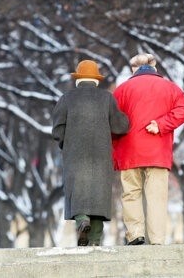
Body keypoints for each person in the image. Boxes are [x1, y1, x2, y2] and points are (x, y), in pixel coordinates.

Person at [113, 53, 184, 245]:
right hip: (157, 152)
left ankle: (135, 235)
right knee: (156, 196)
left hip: (128, 151)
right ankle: (156, 241)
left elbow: (112, 120)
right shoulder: (171, 88)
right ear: (154, 67)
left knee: (131, 193)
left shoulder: (122, 90)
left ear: (134, 69)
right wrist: (162, 124)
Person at [52, 59, 129, 246]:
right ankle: (94, 239)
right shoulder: (107, 98)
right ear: (96, 80)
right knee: (98, 195)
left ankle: (81, 221)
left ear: (78, 79)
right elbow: (121, 126)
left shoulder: (66, 98)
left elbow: (57, 129)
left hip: (75, 155)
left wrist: (66, 144)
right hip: (101, 157)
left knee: (78, 191)